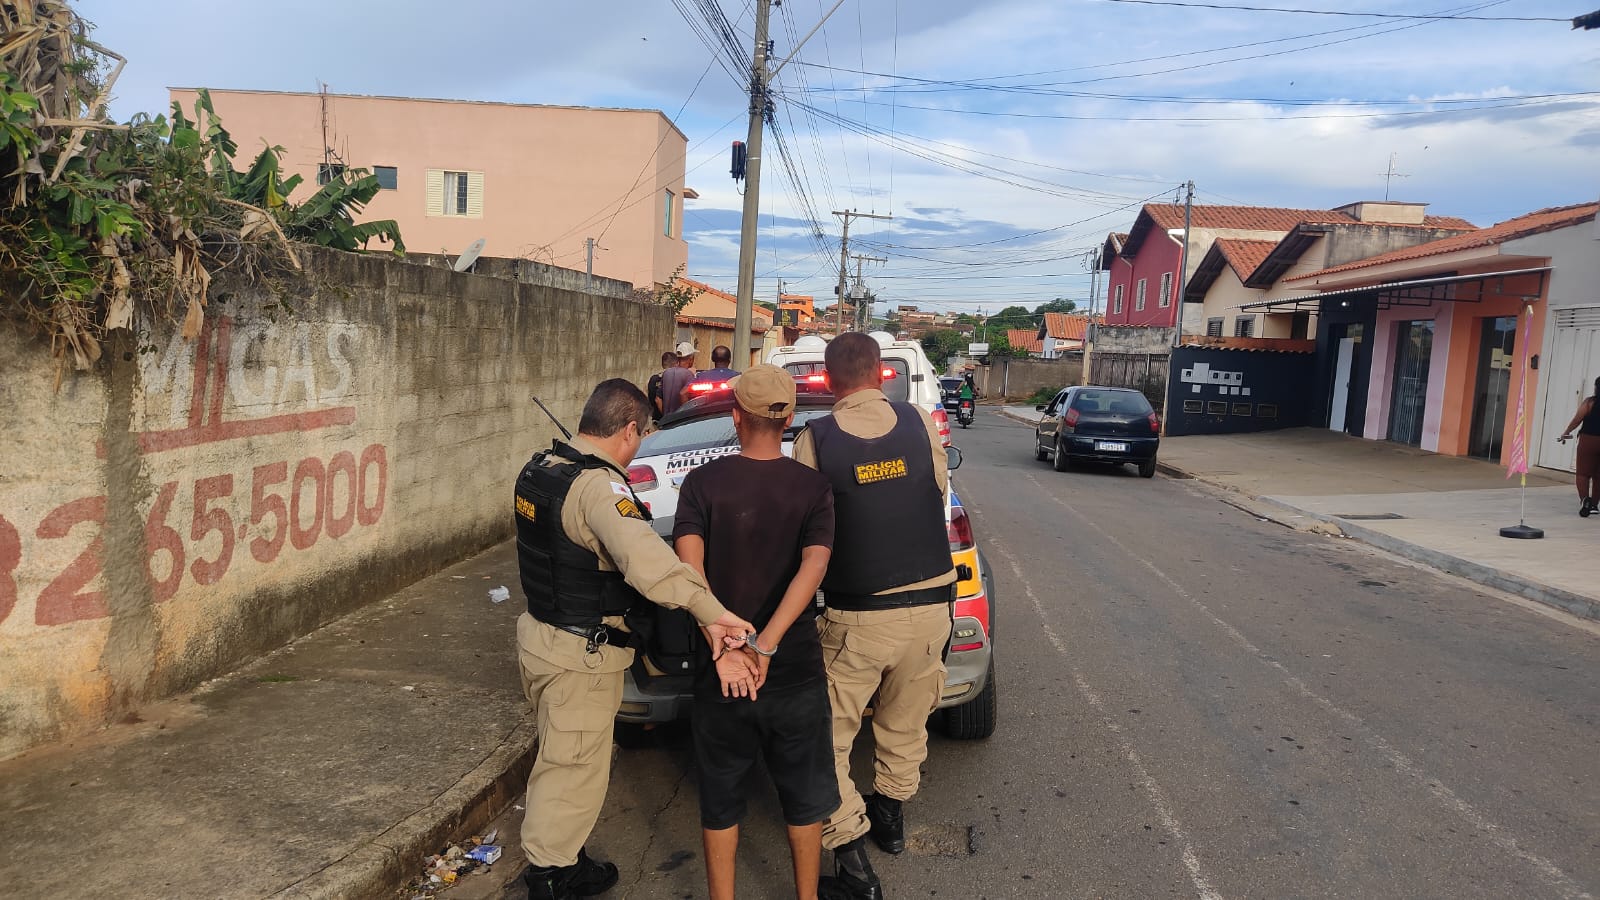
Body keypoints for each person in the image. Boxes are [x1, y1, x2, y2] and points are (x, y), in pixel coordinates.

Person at [512, 378, 756, 900]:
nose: (641, 443)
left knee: (561, 759)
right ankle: (552, 876)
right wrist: (712, 613)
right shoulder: (599, 489)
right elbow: (651, 566)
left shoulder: (544, 469)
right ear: (627, 429)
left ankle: (563, 855)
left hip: (541, 636)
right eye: (641, 434)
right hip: (579, 654)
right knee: (573, 767)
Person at [791, 333, 957, 900]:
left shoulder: (816, 438)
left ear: (829, 381)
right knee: (906, 721)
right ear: (882, 374)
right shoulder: (918, 421)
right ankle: (890, 815)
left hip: (858, 615)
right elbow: (936, 489)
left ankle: (852, 852)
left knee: (828, 739)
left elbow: (808, 527)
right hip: (932, 606)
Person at [673, 364, 839, 900]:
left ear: (735, 415)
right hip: (791, 670)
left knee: (720, 798)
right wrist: (766, 644)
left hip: (721, 670)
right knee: (804, 797)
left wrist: (722, 643)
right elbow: (813, 566)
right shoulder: (813, 487)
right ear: (789, 417)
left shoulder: (702, 482)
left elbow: (688, 568)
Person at [1557, 375, 1600, 517]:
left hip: (1588, 440)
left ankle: (1585, 500)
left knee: (1582, 473)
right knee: (1598, 475)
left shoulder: (1589, 403)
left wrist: (1566, 432)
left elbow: (1577, 420)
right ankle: (1594, 505)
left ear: (1596, 387)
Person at [659, 342, 698, 417]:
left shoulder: (666, 373)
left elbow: (658, 399)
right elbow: (684, 394)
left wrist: (664, 417)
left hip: (666, 421)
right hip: (678, 421)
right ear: (691, 359)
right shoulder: (688, 375)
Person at [647, 350, 676, 422]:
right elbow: (657, 400)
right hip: (668, 421)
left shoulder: (653, 378)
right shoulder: (672, 379)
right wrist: (665, 417)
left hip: (655, 419)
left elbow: (650, 398)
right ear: (676, 364)